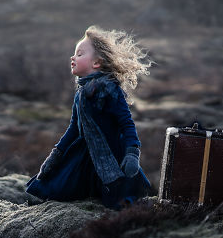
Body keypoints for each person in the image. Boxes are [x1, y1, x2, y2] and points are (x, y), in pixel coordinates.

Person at [26, 26, 152, 209]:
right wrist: (56, 154)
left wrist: (132, 152)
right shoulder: (80, 93)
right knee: (52, 187)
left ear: (96, 63)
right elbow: (74, 129)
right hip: (84, 155)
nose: (72, 57)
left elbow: (126, 123)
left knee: (120, 201)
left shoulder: (110, 90)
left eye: (79, 54)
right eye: (74, 54)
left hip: (111, 155)